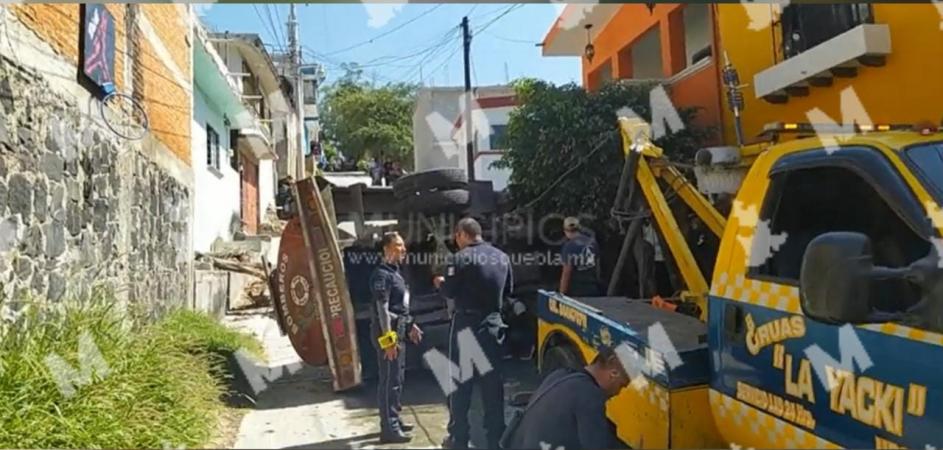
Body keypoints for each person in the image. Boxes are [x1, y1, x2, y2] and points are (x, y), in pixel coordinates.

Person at [433, 218, 513, 449]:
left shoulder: (459, 258)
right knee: (492, 386)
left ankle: (459, 438)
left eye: (456, 237)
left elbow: (449, 291)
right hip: (493, 325)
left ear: (461, 234)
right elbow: (508, 291)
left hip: (466, 326)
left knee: (460, 385)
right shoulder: (502, 257)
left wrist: (440, 282)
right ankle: (496, 440)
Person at [502, 345, 631, 450]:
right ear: (613, 372)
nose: (618, 392)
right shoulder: (590, 396)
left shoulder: (561, 375)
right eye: (621, 385)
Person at [369, 232, 423, 444]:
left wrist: (410, 325)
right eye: (398, 245)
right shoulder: (381, 275)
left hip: (398, 330)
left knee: (397, 379)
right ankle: (389, 428)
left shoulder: (396, 272)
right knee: (389, 381)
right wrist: (388, 341)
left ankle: (395, 418)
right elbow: (382, 309)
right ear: (386, 249)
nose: (403, 249)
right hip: (388, 333)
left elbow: (399, 307)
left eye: (403, 245)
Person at [559, 217, 603, 296]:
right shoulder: (593, 243)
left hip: (577, 292)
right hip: (593, 289)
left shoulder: (568, 246)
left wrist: (562, 294)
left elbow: (566, 272)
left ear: (565, 230)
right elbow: (598, 268)